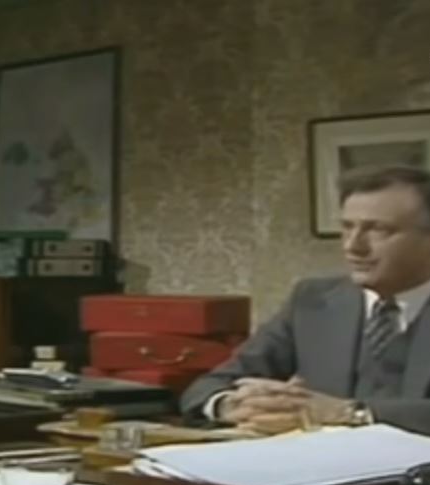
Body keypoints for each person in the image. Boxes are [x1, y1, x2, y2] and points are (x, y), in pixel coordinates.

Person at [182, 165, 430, 436]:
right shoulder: (313, 301)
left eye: (378, 230)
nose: (353, 246)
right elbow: (211, 385)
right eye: (347, 227)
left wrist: (350, 413)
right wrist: (233, 405)